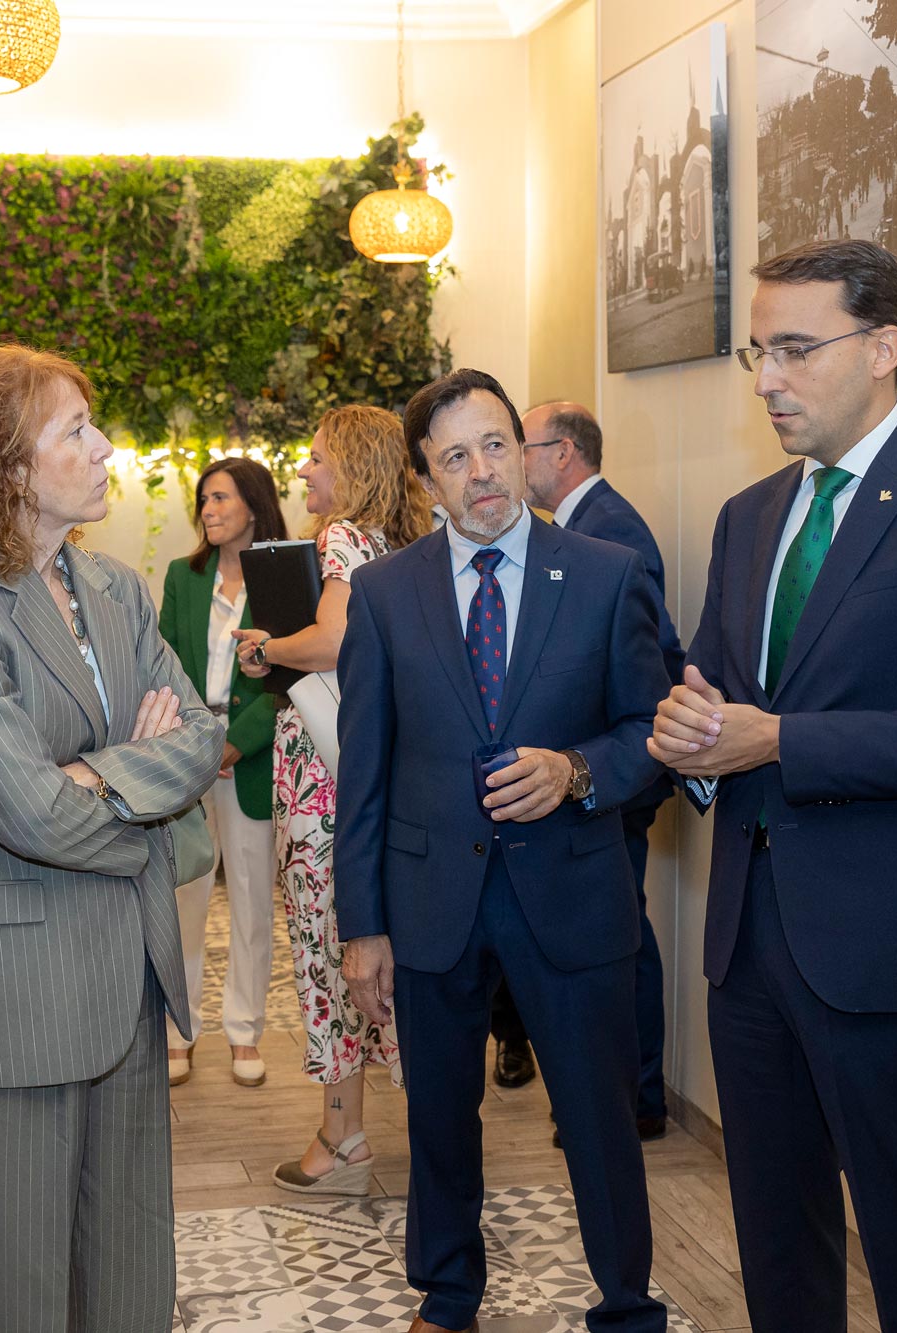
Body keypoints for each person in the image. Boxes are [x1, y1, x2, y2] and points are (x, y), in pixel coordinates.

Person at [650, 238, 897, 1333]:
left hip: (882, 951)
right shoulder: (747, 518)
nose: (765, 379)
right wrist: (685, 735)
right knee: (776, 1239)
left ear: (883, 347)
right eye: (756, 351)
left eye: (792, 349)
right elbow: (714, 690)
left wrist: (779, 741)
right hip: (744, 946)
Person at [335, 368, 672, 1333]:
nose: (482, 473)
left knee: (601, 1119)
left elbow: (650, 730)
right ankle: (448, 1294)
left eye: (494, 445)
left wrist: (576, 769)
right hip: (431, 899)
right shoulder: (384, 594)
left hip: (570, 892)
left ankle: (625, 1301)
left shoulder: (605, 573)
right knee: (441, 1114)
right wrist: (363, 927)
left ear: (522, 451)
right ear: (426, 481)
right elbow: (363, 772)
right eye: (454, 458)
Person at [0, 343, 223, 1332]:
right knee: (7, 1286)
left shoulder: (118, 589)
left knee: (125, 1275)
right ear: (7, 467)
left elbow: (203, 741)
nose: (103, 444)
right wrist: (140, 789)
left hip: (121, 975)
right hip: (8, 1000)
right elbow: (26, 813)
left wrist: (92, 777)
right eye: (74, 429)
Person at [232, 404, 428, 1194]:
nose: (304, 472)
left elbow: (334, 640)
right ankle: (431, 1131)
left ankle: (341, 1139)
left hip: (325, 790)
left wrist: (265, 648)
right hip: (386, 782)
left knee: (326, 952)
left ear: (351, 465)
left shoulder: (342, 539)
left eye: (316, 458)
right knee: (393, 954)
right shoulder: (410, 543)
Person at [519, 399, 683, 1143]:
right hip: (582, 773)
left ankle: (634, 1097)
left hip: (613, 774)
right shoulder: (580, 524)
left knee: (621, 936)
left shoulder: (608, 531)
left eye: (521, 446)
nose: (515, 464)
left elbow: (637, 671)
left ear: (563, 453)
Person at [158, 456, 287, 1089]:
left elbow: (288, 676)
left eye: (221, 498)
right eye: (203, 500)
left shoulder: (283, 576)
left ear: (254, 506)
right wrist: (196, 741)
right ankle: (180, 1031)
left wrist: (235, 744)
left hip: (250, 759)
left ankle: (245, 1030)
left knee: (252, 901)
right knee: (185, 897)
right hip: (187, 754)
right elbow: (164, 663)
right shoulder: (183, 578)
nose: (208, 510)